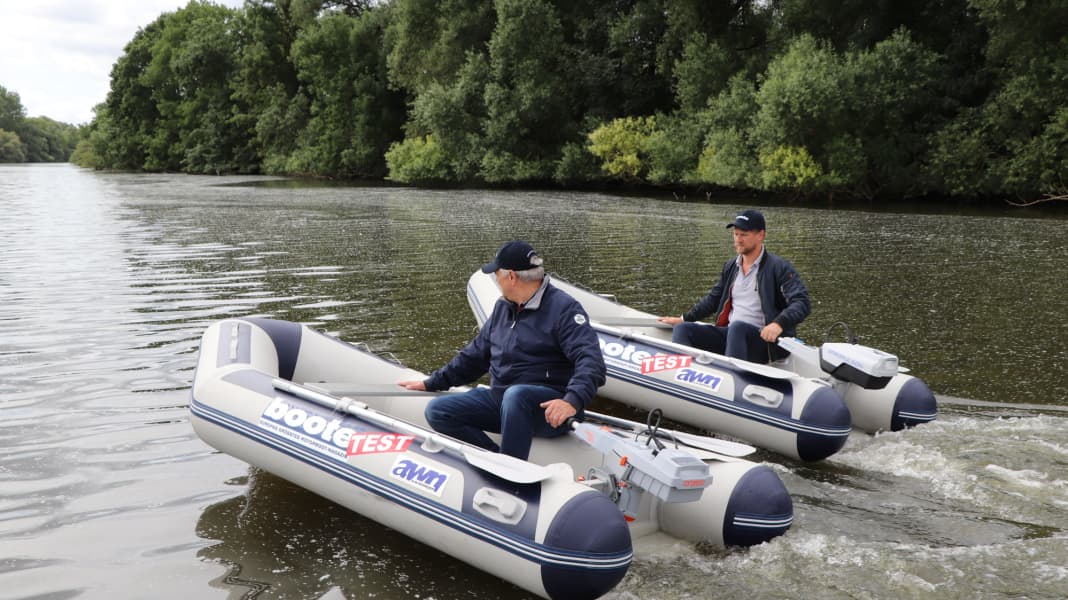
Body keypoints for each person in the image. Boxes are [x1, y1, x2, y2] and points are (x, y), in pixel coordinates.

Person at [398, 240, 606, 460]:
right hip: (503, 401)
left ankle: (510, 468)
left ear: (511, 277)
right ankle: (495, 459)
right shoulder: (503, 307)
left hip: (547, 408)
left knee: (517, 395)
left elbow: (591, 361)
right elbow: (475, 356)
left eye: (496, 274)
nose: (495, 279)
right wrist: (433, 382)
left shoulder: (564, 309)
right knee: (438, 411)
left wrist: (571, 400)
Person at [657, 209, 811, 364]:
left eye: (744, 235)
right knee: (683, 329)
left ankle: (733, 379)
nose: (738, 239)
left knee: (738, 328)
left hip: (766, 343)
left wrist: (778, 324)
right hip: (732, 336)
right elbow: (714, 299)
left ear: (760, 235)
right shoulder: (732, 266)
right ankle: (687, 375)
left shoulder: (779, 268)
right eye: (736, 234)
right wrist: (684, 319)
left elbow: (802, 303)